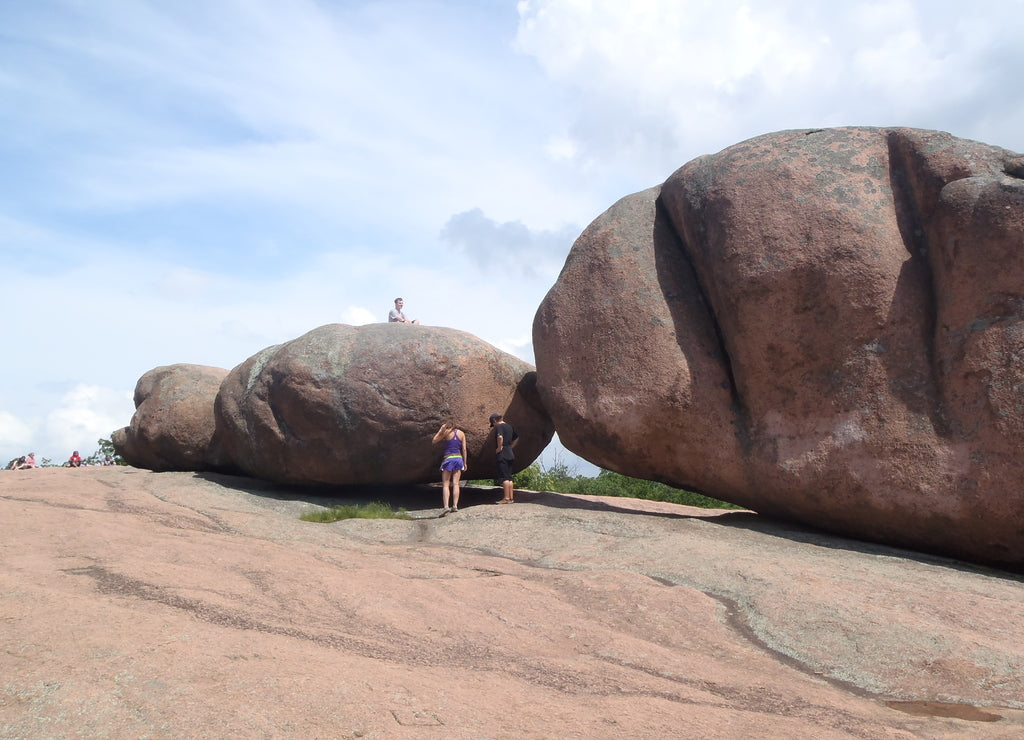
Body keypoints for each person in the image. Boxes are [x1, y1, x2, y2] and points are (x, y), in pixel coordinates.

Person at [432, 421, 467, 514]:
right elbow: (464, 449)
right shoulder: (461, 433)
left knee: (446, 484)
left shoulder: (446, 433)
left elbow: (434, 440)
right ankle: (455, 505)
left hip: (448, 458)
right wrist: (465, 462)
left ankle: (446, 506)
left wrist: (441, 430)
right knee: (456, 483)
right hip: (459, 458)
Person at [489, 413, 518, 504]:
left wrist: (499, 447)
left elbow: (500, 436)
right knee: (509, 477)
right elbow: (517, 438)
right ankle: (511, 498)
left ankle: (506, 498)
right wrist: (511, 446)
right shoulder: (509, 427)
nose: (494, 426)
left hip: (503, 454)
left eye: (493, 424)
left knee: (504, 477)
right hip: (510, 452)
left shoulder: (500, 426)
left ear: (494, 420)